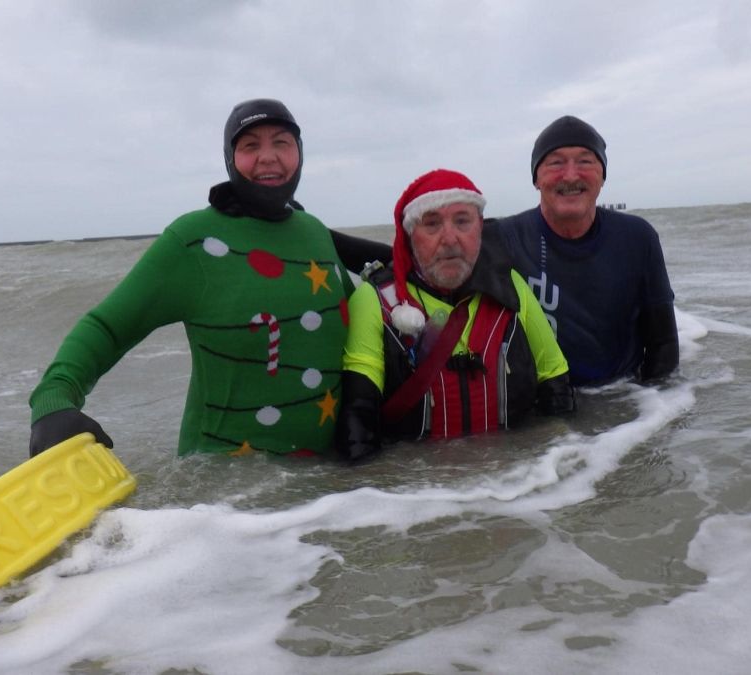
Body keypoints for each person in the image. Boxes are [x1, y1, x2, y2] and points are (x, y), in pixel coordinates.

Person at [28, 98, 355, 458]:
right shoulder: (195, 241)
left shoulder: (314, 232)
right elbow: (108, 327)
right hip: (223, 483)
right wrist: (53, 402)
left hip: (327, 485)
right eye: (250, 146)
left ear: (299, 152)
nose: (267, 156)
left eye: (282, 142)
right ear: (230, 159)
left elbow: (360, 332)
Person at [336, 169, 575, 462]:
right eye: (432, 223)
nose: (450, 238)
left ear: (480, 228)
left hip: (514, 477)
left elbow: (556, 387)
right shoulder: (375, 300)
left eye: (462, 221)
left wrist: (558, 473)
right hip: (418, 483)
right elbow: (359, 422)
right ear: (410, 235)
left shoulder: (511, 287)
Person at [491, 115, 679, 386]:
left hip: (621, 395)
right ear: (536, 178)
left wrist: (655, 406)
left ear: (602, 176)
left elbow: (664, 346)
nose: (570, 175)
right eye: (556, 163)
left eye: (585, 161)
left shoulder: (638, 238)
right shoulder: (502, 239)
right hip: (541, 401)